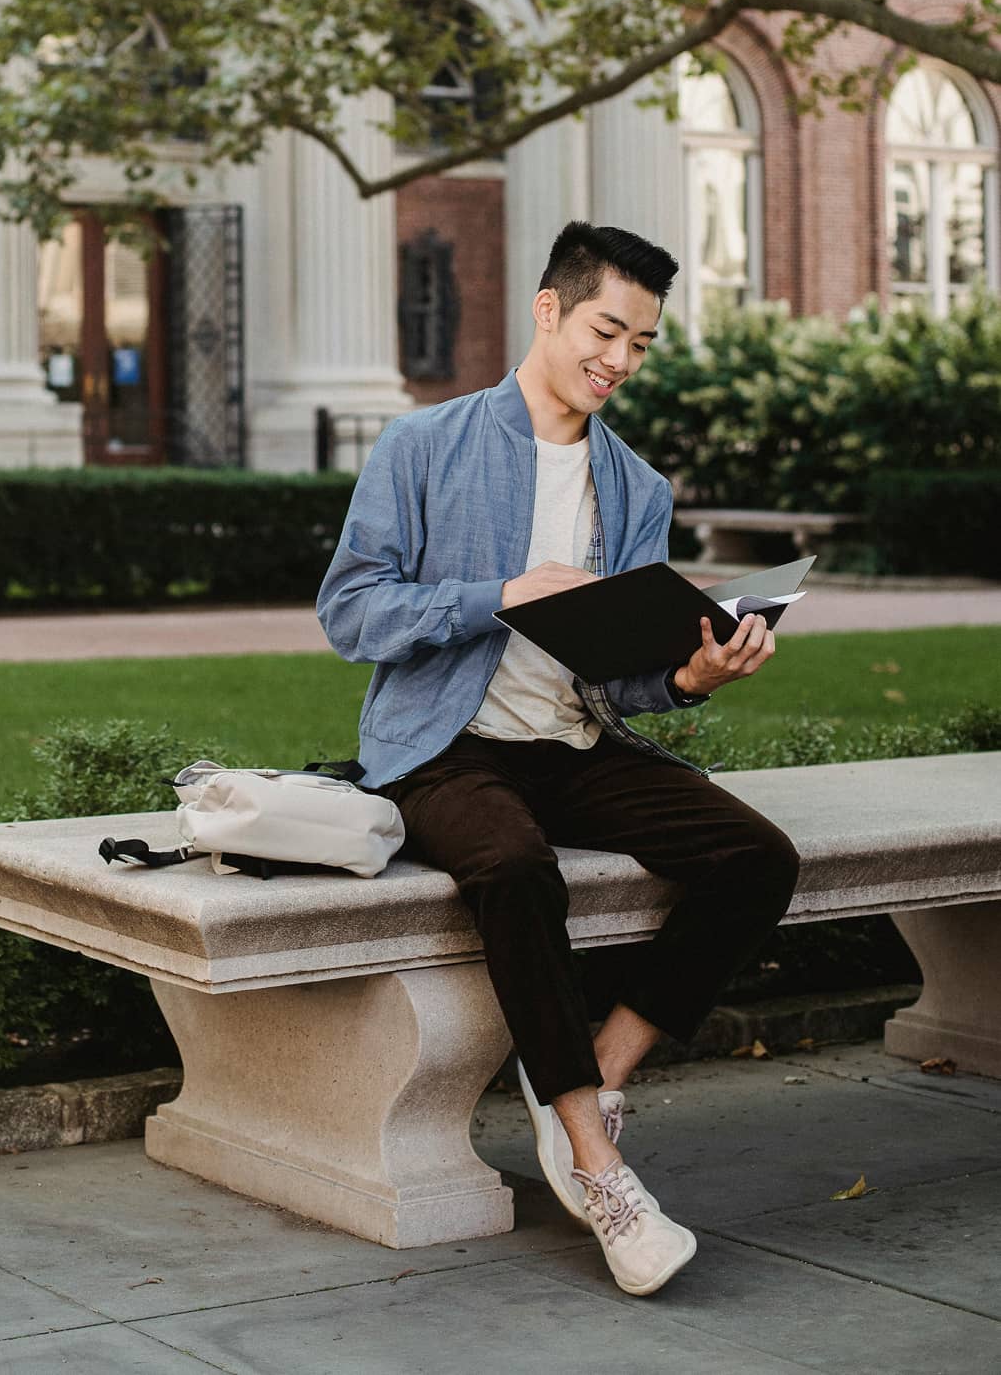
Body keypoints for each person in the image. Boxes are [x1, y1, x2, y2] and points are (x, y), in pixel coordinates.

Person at [316, 221, 800, 1298]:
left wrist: (690, 680)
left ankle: (587, 1081)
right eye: (605, 329)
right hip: (445, 750)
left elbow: (623, 675)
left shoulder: (636, 488)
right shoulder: (423, 446)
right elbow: (349, 613)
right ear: (547, 310)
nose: (620, 360)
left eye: (641, 342)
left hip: (575, 744)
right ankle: (596, 1160)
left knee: (755, 856)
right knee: (515, 868)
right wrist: (493, 594)